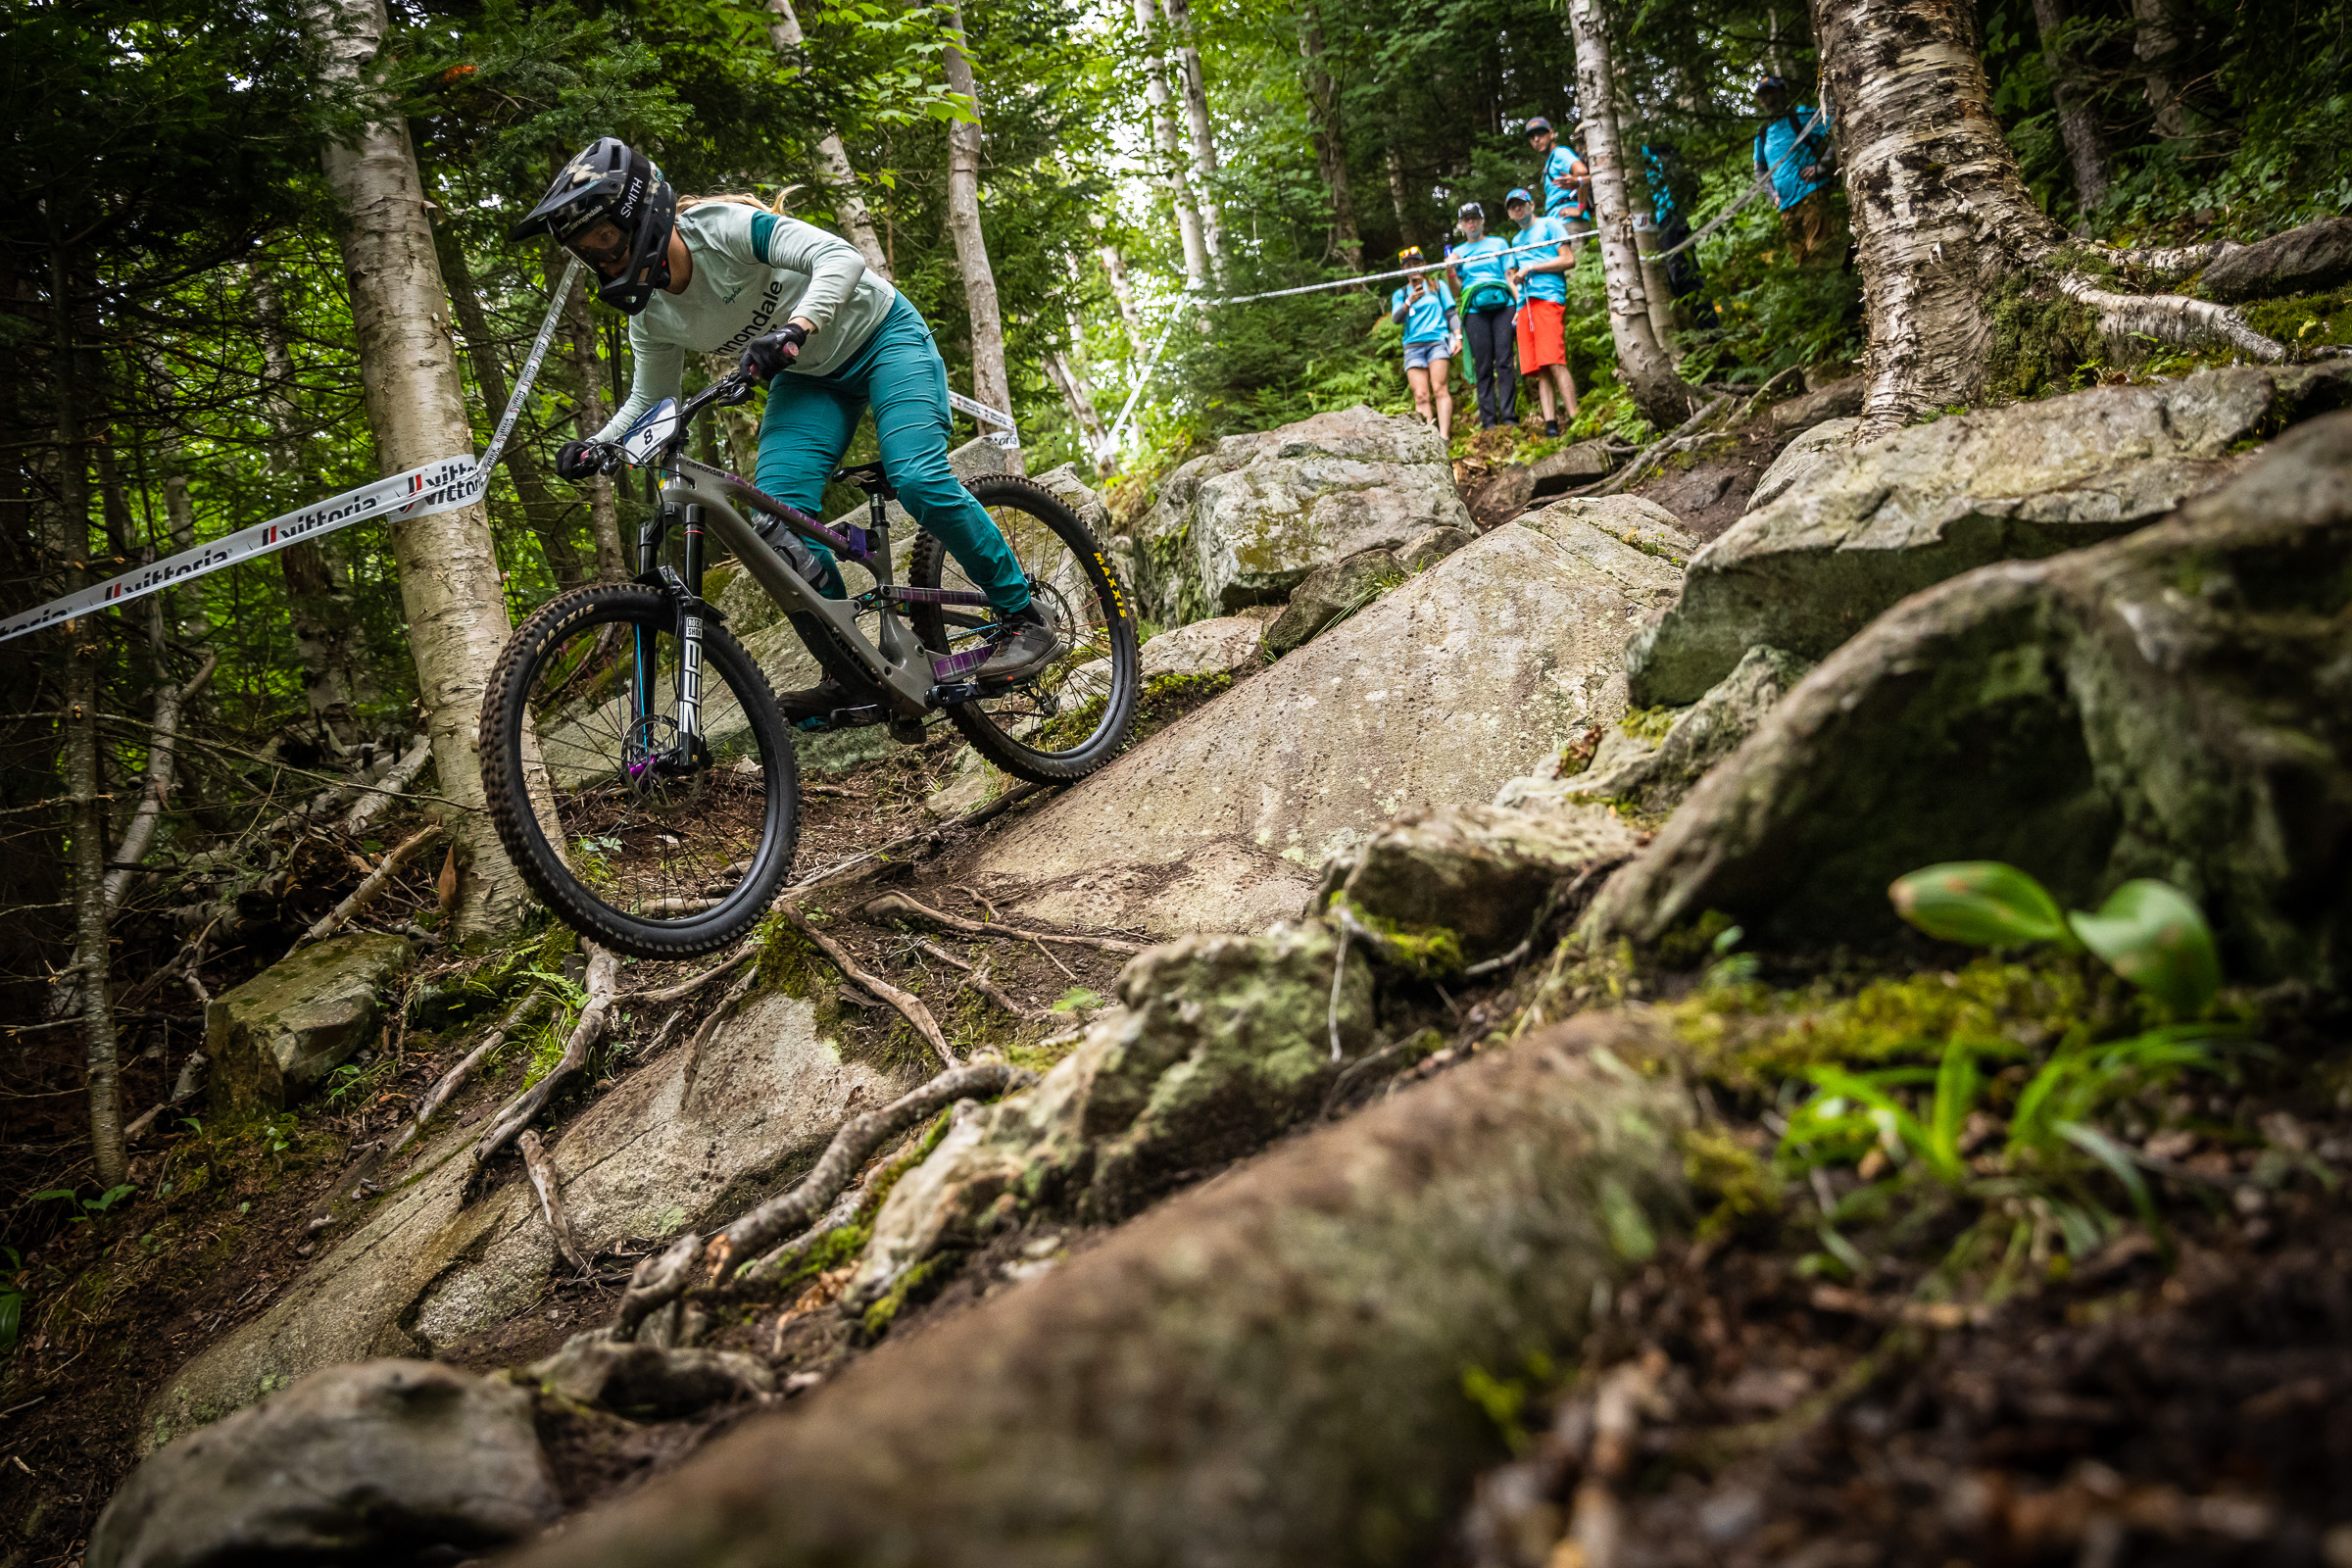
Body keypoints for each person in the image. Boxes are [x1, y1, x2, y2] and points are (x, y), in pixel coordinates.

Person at [509, 136, 1056, 728]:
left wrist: (797, 325)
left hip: (882, 336)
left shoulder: (723, 228)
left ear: (639, 215)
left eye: (606, 241)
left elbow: (842, 259)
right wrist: (602, 445)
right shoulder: (652, 313)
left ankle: (1023, 614)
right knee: (778, 523)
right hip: (808, 377)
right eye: (592, 253)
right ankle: (852, 672)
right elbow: (652, 400)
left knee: (918, 477)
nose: (605, 260)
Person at [1502, 188, 1578, 435]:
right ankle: (1551, 425)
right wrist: (1517, 305)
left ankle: (1576, 419)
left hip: (1548, 298)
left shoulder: (1550, 224)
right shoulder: (1515, 241)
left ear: (1531, 204)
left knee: (1555, 360)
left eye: (1521, 204)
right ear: (1510, 213)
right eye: (1512, 206)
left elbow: (1568, 259)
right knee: (1540, 367)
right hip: (1526, 305)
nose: (1517, 209)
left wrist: (1533, 267)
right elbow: (1513, 276)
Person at [1445, 204, 1519, 428]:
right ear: (1461, 225)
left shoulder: (1499, 243)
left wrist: (1519, 305)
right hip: (1474, 310)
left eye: (1475, 218)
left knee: (1505, 361)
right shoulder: (1457, 252)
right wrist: (1450, 270)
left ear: (1482, 220)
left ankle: (1509, 417)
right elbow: (1456, 291)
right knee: (1483, 365)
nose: (1471, 223)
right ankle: (1489, 422)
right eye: (1466, 219)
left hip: (1503, 305)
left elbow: (1509, 275)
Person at [1752, 76, 1840, 266]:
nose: (1768, 99)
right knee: (1801, 263)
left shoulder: (1801, 115)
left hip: (1811, 195)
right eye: (1762, 95)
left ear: (1782, 92)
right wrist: (1771, 193)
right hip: (1785, 206)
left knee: (1821, 253)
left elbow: (1836, 130)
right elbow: (1760, 170)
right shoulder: (1762, 132)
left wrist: (1822, 165)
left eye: (1771, 92)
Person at [1641, 141, 1719, 329]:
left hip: (1668, 217)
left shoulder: (1640, 151)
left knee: (1684, 276)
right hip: (1649, 226)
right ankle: (1691, 333)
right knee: (1666, 283)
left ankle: (1712, 334)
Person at [1388, 250, 1459, 440]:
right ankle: (1429, 437)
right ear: (1403, 270)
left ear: (1424, 265)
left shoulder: (1437, 286)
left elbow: (1451, 313)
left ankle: (1443, 437)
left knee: (1439, 388)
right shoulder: (1400, 294)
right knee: (1420, 394)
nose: (1413, 269)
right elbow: (1396, 319)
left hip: (1437, 341)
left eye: (1416, 264)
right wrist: (1409, 301)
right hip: (1413, 346)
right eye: (1408, 266)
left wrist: (1458, 337)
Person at [1524, 116, 1590, 228]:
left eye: (1540, 133)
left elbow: (1582, 172)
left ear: (1551, 134)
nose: (1536, 139)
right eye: (1532, 137)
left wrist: (1580, 208)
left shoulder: (1560, 153)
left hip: (1568, 221)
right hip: (1558, 222)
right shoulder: (1550, 161)